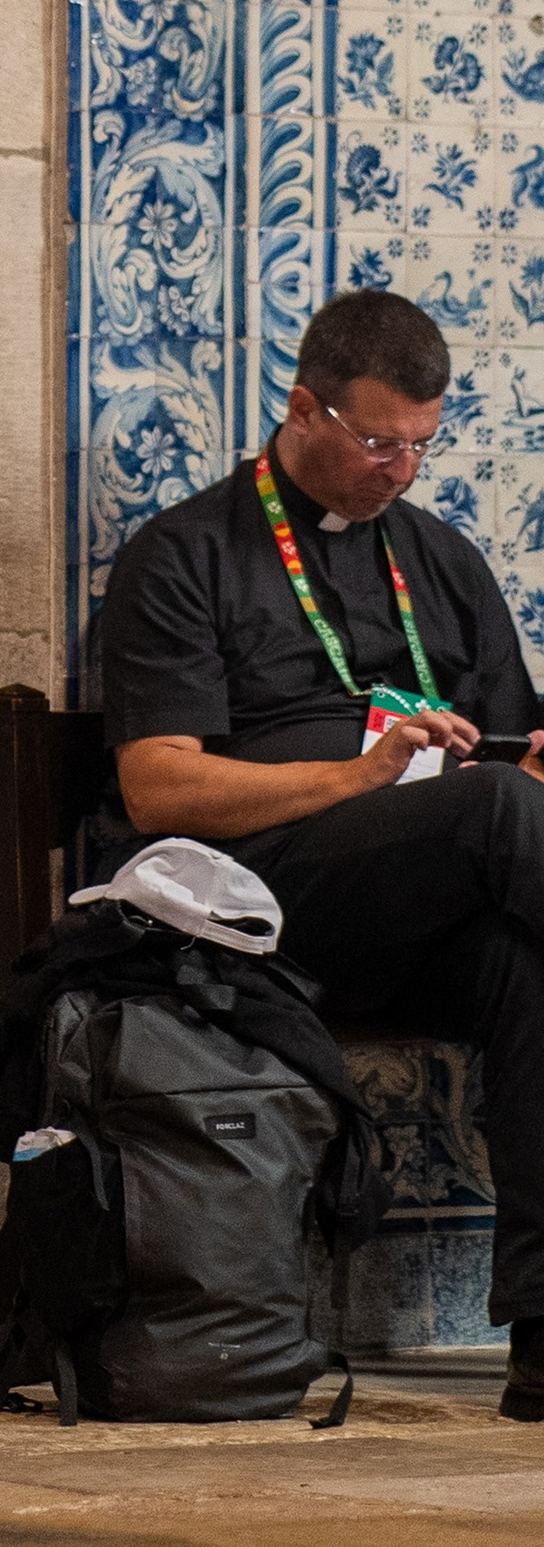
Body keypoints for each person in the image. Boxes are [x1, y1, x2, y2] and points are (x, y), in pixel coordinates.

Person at [100, 289, 544, 1419]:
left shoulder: (441, 560)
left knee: (526, 964)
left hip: (427, 899)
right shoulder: (187, 553)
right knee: (496, 812)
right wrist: (360, 775)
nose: (401, 470)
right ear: (305, 408)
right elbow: (158, 788)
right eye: (380, 442)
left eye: (422, 446)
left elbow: (521, 758)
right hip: (261, 906)